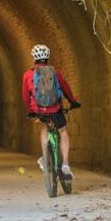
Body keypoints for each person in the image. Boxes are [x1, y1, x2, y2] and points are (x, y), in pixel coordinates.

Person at [21, 44, 81, 178]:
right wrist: (73, 101)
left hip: (39, 109)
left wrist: (30, 110)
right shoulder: (55, 73)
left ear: (34, 58)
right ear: (47, 57)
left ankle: (44, 156)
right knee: (63, 131)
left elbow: (25, 95)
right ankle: (65, 164)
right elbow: (65, 89)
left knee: (45, 127)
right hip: (55, 108)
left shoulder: (28, 75)